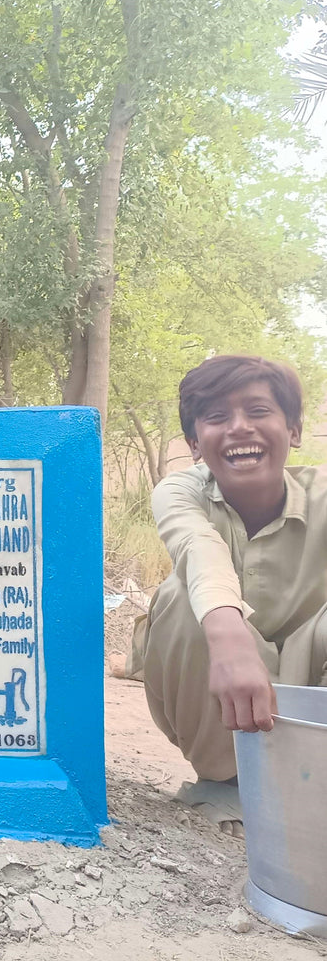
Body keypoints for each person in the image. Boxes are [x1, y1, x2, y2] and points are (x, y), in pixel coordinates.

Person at [132, 355, 327, 835]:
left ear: (294, 430)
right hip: (212, 689)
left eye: (258, 411)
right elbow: (198, 549)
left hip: (308, 677)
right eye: (217, 417)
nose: (240, 428)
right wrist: (228, 634)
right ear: (196, 444)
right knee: (181, 596)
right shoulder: (181, 492)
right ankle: (227, 782)